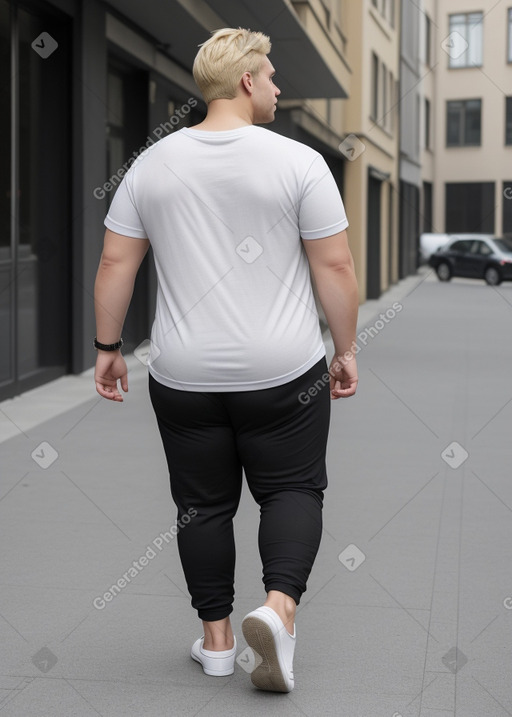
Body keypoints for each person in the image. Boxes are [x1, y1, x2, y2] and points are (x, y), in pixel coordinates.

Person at [93, 27, 358, 693]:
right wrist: (347, 347)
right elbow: (336, 265)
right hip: (285, 373)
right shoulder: (298, 163)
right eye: (270, 77)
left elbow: (115, 263)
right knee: (292, 490)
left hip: (184, 375)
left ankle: (215, 643)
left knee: (202, 505)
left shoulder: (151, 164)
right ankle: (277, 609)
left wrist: (107, 348)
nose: (277, 87)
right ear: (245, 82)